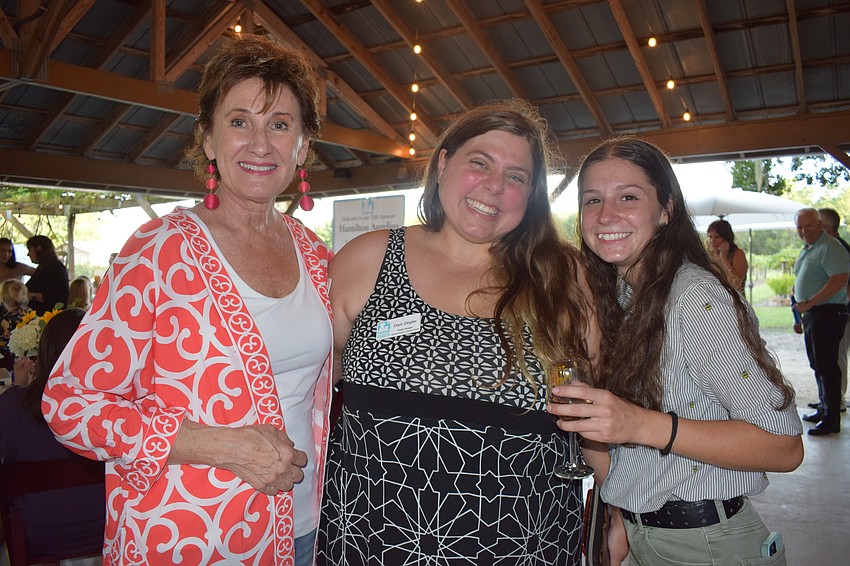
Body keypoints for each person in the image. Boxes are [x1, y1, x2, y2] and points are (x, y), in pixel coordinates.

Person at [43, 35, 332, 565]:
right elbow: (71, 405)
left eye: (280, 124)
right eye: (239, 121)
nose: (260, 143)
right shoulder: (158, 250)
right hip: (187, 533)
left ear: (303, 147)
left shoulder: (315, 254)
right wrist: (224, 446)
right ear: (208, 139)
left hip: (305, 527)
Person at [317, 99, 594, 565]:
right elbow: (316, 379)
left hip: (520, 542)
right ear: (443, 162)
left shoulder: (559, 275)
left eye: (516, 177)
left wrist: (615, 512)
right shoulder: (368, 258)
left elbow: (592, 410)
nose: (494, 187)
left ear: (530, 197)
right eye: (479, 163)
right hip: (374, 537)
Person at [550, 137, 803, 565]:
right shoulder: (621, 297)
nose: (606, 215)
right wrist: (616, 511)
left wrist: (639, 424)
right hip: (644, 532)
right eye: (592, 200)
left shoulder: (694, 297)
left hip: (709, 545)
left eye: (627, 196)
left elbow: (784, 447)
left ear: (666, 209)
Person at [0, 308, 106, 557]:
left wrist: (18, 388)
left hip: (38, 534)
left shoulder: (13, 406)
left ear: (44, 351)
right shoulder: (114, 406)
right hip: (108, 528)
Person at [792, 208, 849, 435]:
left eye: (808, 226)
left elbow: (839, 280)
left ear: (820, 224)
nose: (803, 231)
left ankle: (832, 418)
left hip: (827, 312)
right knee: (818, 364)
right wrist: (801, 313)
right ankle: (824, 408)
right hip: (813, 313)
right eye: (799, 227)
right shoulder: (810, 248)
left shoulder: (830, 247)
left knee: (827, 367)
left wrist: (810, 302)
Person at [817, 207, 850, 412]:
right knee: (826, 359)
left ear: (826, 226)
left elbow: (842, 281)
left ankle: (836, 401)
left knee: (836, 357)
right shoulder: (824, 247)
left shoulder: (838, 247)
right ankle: (827, 401)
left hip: (839, 311)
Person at [24, 235, 69, 314]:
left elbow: (58, 295)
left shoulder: (55, 268)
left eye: (30, 250)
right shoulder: (43, 268)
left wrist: (30, 296)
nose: (28, 254)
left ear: (38, 249)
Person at [707, 218, 748, 292]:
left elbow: (737, 284)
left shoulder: (737, 254)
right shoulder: (709, 255)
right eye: (710, 237)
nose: (712, 240)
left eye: (717, 237)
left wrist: (723, 257)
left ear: (726, 238)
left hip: (734, 300)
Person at [0, 279, 30, 375]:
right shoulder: (31, 314)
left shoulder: (6, 320)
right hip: (30, 360)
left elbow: (3, 345)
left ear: (3, 298)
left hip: (10, 363)